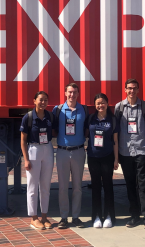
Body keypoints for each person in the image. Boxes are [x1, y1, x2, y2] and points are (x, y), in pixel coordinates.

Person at [115, 79, 145, 234]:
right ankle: (134, 215)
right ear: (125, 90)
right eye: (129, 88)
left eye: (134, 88)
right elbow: (116, 133)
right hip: (125, 152)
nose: (131, 91)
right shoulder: (119, 107)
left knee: (143, 185)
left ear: (138, 90)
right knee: (130, 185)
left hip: (142, 151)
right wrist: (116, 155)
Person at [53, 83, 87, 229]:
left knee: (78, 187)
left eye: (74, 92)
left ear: (78, 94)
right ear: (65, 93)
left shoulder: (83, 109)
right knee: (62, 186)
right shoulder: (58, 110)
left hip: (79, 151)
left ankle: (76, 217)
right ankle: (64, 217)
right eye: (69, 92)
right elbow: (53, 129)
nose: (72, 95)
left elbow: (87, 129)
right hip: (62, 152)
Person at [20, 91, 55, 230]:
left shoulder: (50, 116)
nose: (43, 102)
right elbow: (23, 140)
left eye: (46, 100)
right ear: (34, 100)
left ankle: (45, 217)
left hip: (48, 149)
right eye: (40, 100)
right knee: (32, 186)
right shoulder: (28, 117)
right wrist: (26, 159)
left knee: (45, 186)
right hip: (33, 150)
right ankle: (34, 218)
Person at [85, 93, 119, 228]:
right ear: (95, 105)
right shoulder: (90, 119)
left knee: (108, 186)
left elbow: (115, 140)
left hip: (108, 156)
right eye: (98, 103)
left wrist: (116, 159)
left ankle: (109, 215)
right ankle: (96, 216)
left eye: (103, 102)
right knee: (96, 187)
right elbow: (86, 135)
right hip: (93, 157)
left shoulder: (113, 119)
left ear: (107, 103)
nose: (100, 105)